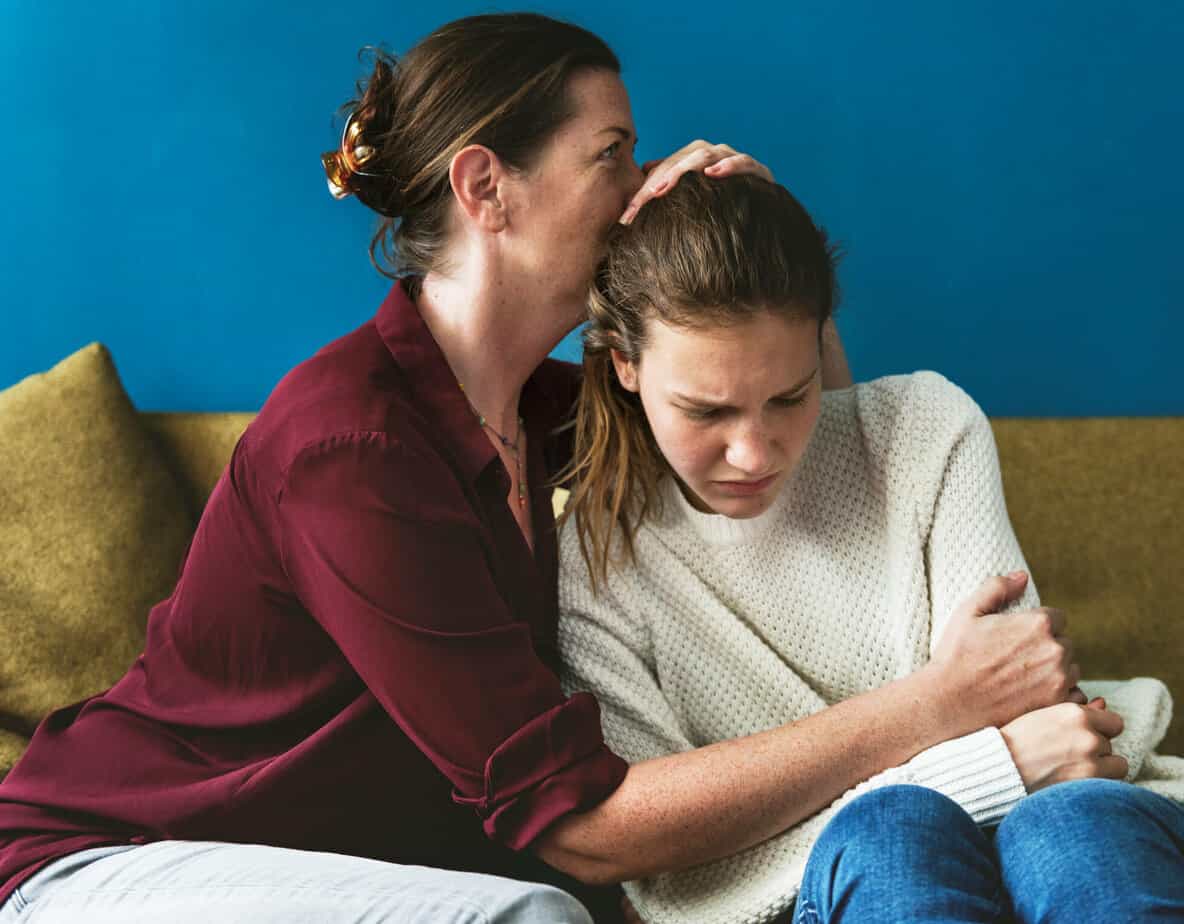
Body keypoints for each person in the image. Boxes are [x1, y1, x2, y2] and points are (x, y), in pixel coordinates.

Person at [0, 13, 1084, 924]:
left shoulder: (557, 415)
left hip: (329, 868)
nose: (641, 185)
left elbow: (815, 457)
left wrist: (760, 254)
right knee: (529, 916)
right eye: (610, 153)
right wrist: (936, 707)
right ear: (487, 186)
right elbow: (583, 829)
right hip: (115, 859)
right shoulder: (352, 450)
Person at [556, 170, 1184, 923]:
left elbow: (1029, 713)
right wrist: (994, 764)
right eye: (706, 410)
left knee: (1071, 824)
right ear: (626, 364)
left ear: (822, 340)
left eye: (790, 397)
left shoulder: (923, 429)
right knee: (889, 837)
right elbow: (674, 870)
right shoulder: (595, 561)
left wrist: (1004, 753)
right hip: (814, 887)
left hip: (1078, 810)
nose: (755, 454)